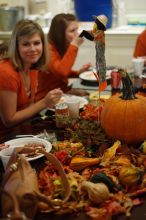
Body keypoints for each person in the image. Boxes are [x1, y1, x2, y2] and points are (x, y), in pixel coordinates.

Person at [0, 19, 63, 139]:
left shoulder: (32, 67)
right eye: (26, 44)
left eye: (36, 43)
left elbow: (29, 107)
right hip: (5, 139)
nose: (33, 49)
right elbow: (9, 120)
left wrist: (50, 103)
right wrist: (45, 102)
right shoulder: (5, 73)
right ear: (16, 46)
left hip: (21, 131)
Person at [36, 13, 92, 101]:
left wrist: (77, 73)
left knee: (89, 97)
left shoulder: (61, 45)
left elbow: (56, 73)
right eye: (72, 31)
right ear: (60, 34)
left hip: (60, 93)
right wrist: (74, 45)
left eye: (77, 30)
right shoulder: (48, 50)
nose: (77, 34)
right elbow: (61, 72)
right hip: (44, 100)